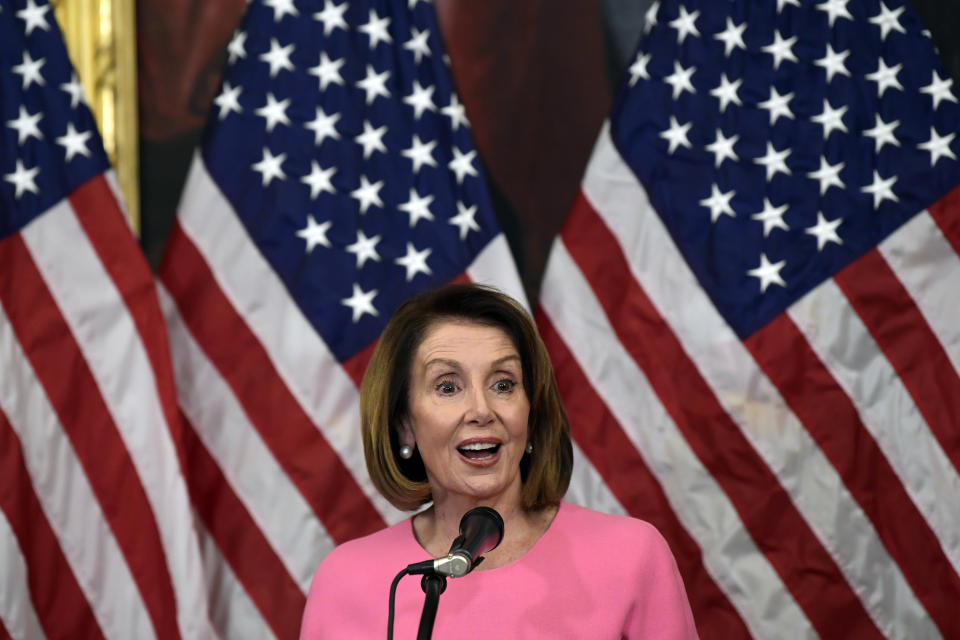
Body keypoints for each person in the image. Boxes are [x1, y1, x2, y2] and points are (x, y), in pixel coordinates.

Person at [300, 284, 698, 639]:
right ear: (405, 426)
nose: (481, 409)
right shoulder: (345, 579)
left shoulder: (631, 556)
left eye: (503, 384)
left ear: (530, 410)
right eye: (448, 386)